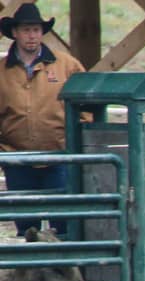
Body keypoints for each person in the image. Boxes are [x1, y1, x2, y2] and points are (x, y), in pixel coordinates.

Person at [0, 3, 84, 236]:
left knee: (65, 222)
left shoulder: (67, 66)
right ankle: (32, 272)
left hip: (59, 156)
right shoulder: (1, 72)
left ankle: (66, 271)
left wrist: (77, 145)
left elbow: (87, 106)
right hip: (17, 159)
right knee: (27, 226)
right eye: (26, 30)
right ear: (15, 33)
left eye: (36, 30)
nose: (32, 36)